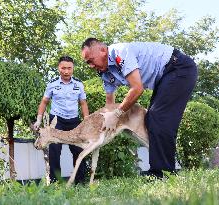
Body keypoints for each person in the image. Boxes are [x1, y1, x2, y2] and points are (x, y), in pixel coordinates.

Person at [81, 38, 198, 178]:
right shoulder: (104, 72)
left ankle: (162, 174)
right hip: (165, 77)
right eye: (87, 62)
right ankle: (167, 170)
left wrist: (117, 114)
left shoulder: (119, 52)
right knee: (152, 120)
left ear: (102, 50)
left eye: (91, 60)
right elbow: (109, 103)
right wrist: (106, 121)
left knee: (159, 119)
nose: (90, 66)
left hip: (178, 67)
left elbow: (137, 88)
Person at [33, 55, 89, 183]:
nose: (66, 71)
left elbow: (83, 103)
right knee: (54, 151)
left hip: (74, 121)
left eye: (69, 68)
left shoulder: (79, 84)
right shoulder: (52, 84)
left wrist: (86, 121)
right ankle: (55, 181)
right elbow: (44, 102)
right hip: (56, 121)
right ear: (59, 68)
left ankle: (80, 182)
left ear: (73, 68)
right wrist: (38, 120)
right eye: (63, 68)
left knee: (79, 150)